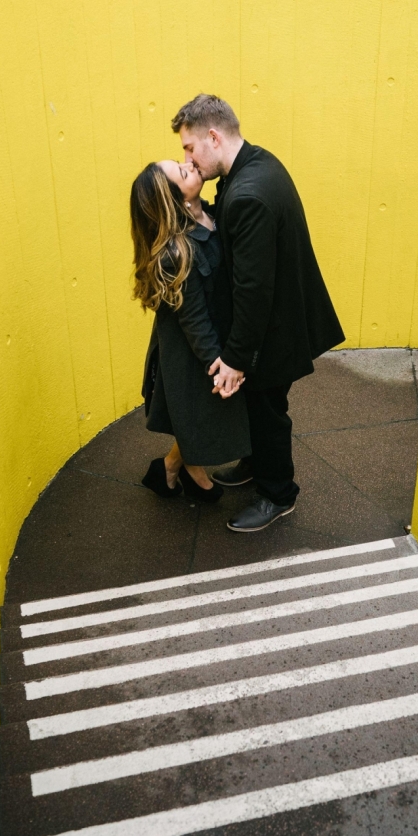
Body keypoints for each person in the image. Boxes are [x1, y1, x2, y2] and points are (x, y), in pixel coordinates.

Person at [171, 94, 345, 532]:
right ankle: (254, 462)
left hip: (273, 330)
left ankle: (277, 494)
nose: (187, 158)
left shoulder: (248, 192)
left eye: (189, 147)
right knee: (260, 408)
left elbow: (252, 290)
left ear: (213, 136)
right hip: (281, 318)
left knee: (267, 412)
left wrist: (234, 359)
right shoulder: (255, 164)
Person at [131, 159, 251, 503]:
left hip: (212, 335)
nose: (190, 165)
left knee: (199, 415)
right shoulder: (177, 251)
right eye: (183, 173)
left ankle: (171, 467)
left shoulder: (214, 213)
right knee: (200, 413)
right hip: (192, 348)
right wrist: (219, 366)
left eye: (182, 163)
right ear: (177, 202)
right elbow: (194, 319)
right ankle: (179, 468)